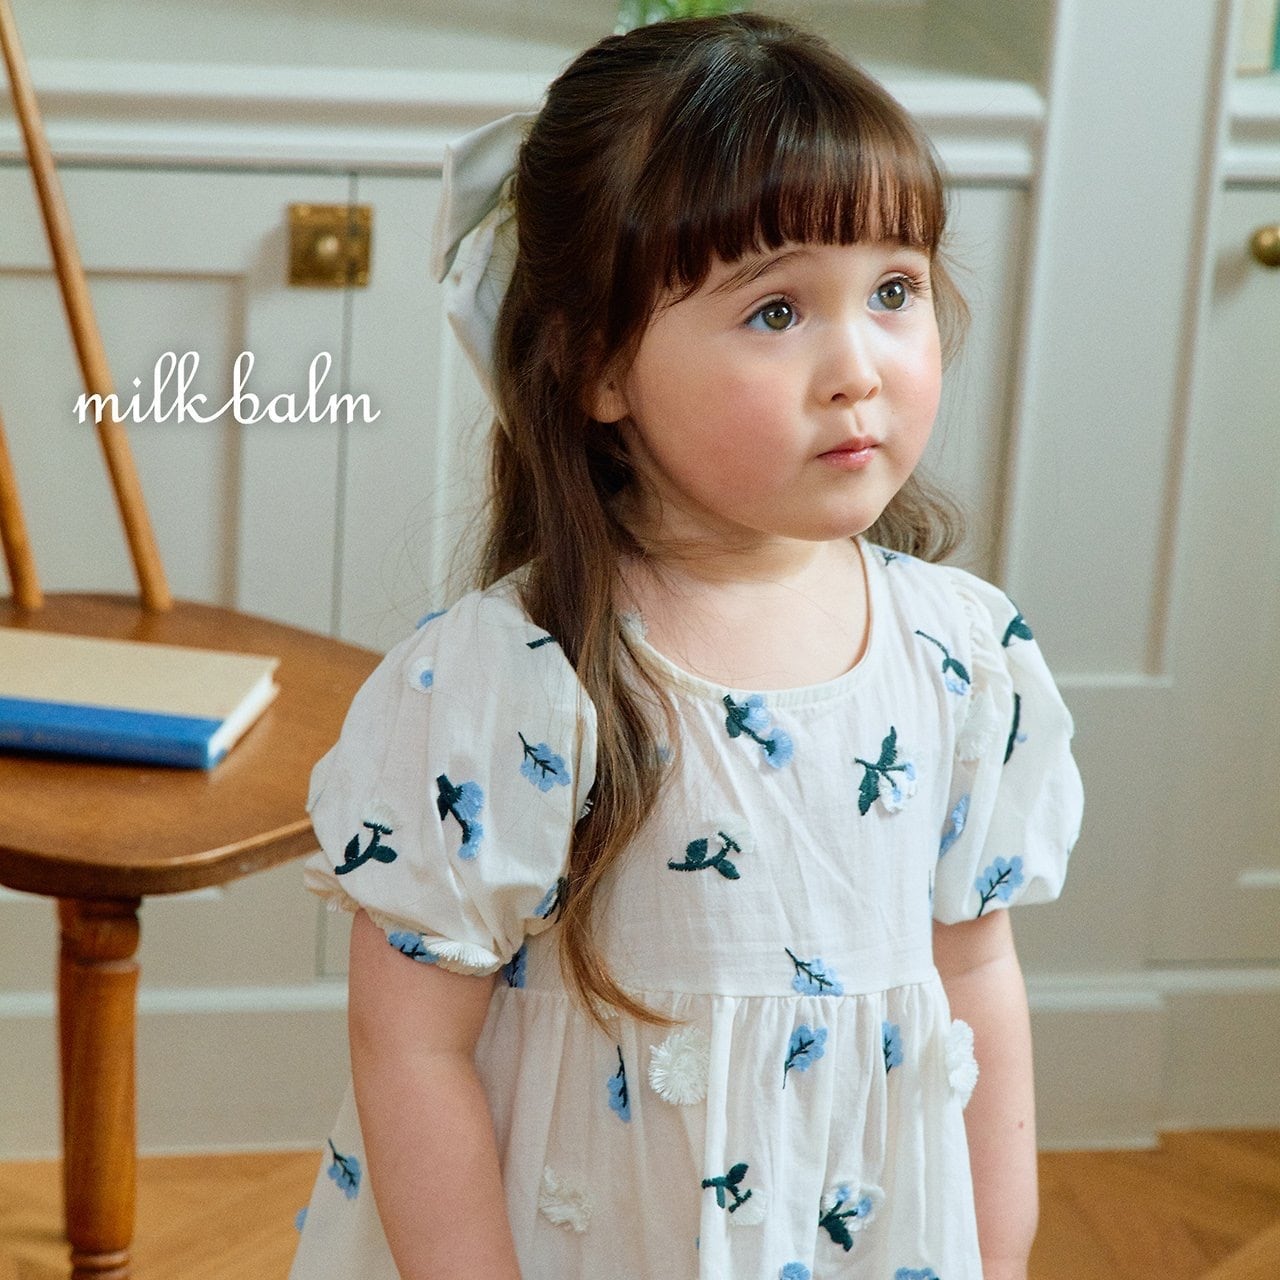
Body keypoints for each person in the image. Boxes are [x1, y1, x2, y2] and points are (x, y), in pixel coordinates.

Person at [288, 13, 1084, 1280]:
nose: (857, 367)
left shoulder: (962, 655)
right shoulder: (518, 680)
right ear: (598, 365)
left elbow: (974, 972)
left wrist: (995, 1243)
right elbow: (409, 1045)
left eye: (892, 290)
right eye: (775, 309)